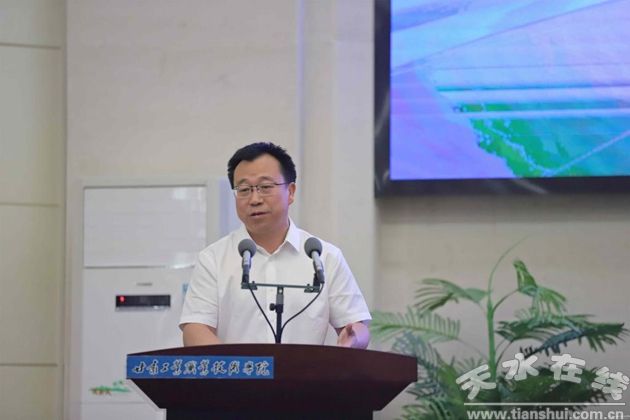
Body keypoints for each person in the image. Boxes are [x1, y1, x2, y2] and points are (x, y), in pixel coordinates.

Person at [179, 142, 371, 348]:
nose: (254, 199)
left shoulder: (325, 257)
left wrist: (354, 337)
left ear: (291, 192)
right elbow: (195, 329)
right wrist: (240, 366)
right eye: (244, 189)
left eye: (265, 187)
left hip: (306, 370)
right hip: (237, 370)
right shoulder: (213, 259)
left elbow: (356, 326)